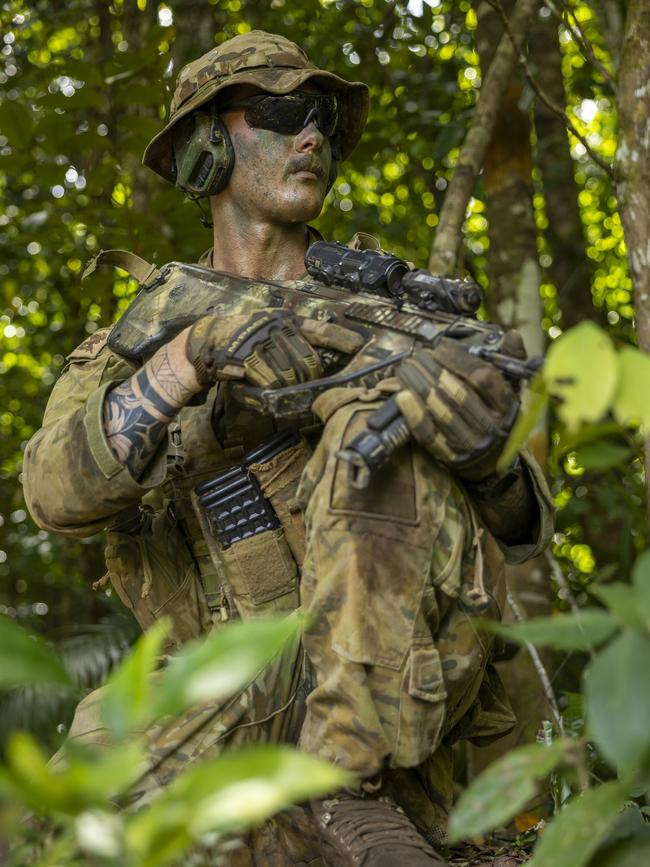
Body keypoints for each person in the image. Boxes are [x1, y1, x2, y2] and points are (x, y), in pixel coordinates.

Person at [22, 31, 553, 867]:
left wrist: (487, 453)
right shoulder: (141, 339)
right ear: (205, 145)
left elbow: (525, 523)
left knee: (375, 427)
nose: (313, 136)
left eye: (322, 121)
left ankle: (343, 781)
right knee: (41, 832)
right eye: (280, 113)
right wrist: (193, 357)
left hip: (399, 686)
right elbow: (53, 494)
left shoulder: (395, 310)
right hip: (231, 681)